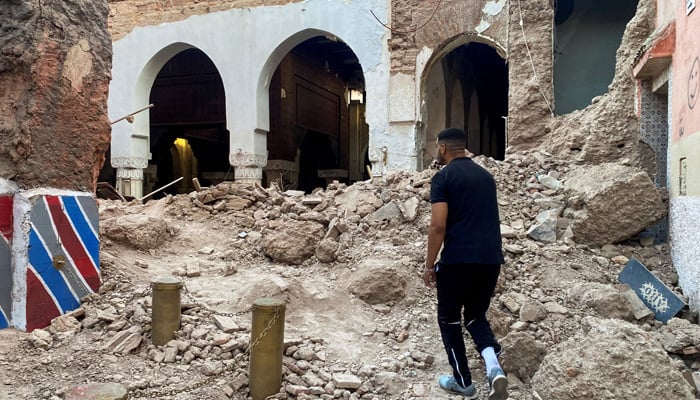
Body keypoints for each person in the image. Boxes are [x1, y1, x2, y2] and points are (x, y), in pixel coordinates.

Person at [423, 127, 508, 400]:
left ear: (444, 148)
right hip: (490, 260)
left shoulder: (443, 178)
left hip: (458, 261)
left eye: (438, 147)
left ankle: (463, 381)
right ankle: (494, 367)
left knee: (448, 319)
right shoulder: (486, 177)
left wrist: (428, 264)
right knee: (474, 316)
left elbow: (438, 225)